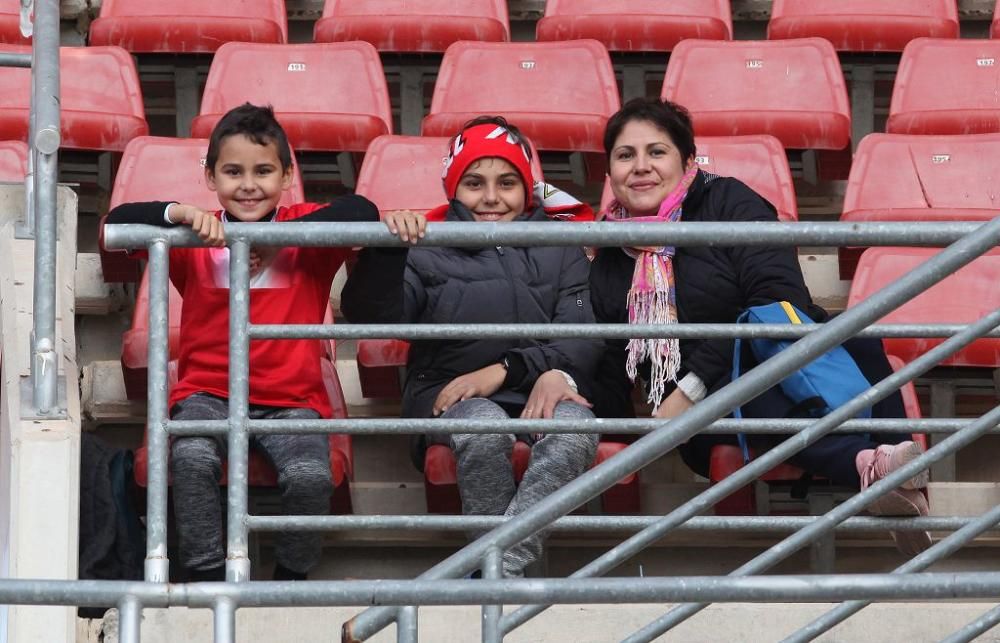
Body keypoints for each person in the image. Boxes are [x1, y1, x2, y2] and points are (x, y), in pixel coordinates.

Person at [588, 97, 931, 555]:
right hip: (704, 420)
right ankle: (889, 475)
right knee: (760, 387)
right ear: (610, 171)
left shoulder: (730, 202)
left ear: (687, 160)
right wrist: (617, 432)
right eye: (625, 155)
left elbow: (780, 299)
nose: (640, 166)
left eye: (657, 151)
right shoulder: (607, 255)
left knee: (853, 341)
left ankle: (886, 467)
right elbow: (612, 358)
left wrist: (690, 386)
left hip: (756, 370)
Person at [103, 103, 381, 581]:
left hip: (292, 400)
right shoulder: (196, 234)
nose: (248, 184)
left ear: (287, 175)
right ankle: (209, 576)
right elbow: (117, 221)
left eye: (264, 171)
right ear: (210, 177)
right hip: (206, 394)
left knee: (312, 478)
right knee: (189, 459)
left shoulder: (305, 230)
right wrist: (177, 213)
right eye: (233, 172)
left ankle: (290, 578)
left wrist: (277, 238)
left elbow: (364, 211)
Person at [342, 116, 602, 577]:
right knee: (484, 429)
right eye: (474, 183)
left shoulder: (561, 244)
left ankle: (495, 571)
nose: (491, 198)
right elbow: (374, 316)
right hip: (448, 395)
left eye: (507, 183)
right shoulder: (427, 244)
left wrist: (506, 369)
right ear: (452, 188)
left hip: (540, 388)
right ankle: (502, 575)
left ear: (527, 188)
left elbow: (580, 338)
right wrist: (388, 251)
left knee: (576, 430)